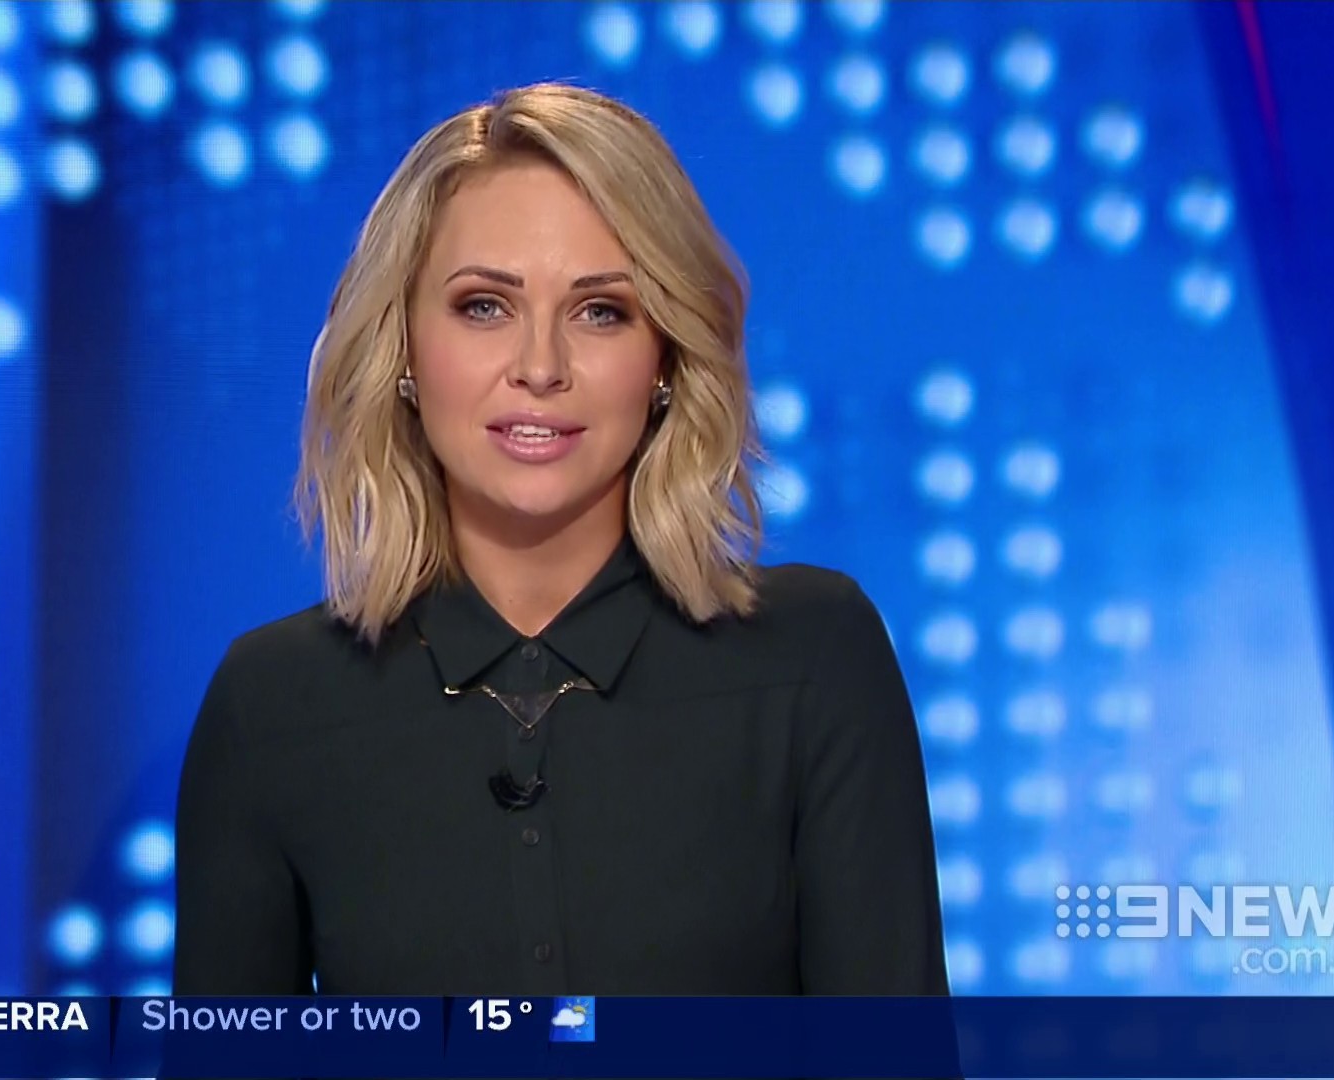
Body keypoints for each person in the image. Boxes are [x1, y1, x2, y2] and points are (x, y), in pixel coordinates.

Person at [175, 82, 948, 1000]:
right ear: (404, 350)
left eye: (600, 311)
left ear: (665, 360)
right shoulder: (272, 707)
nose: (540, 368)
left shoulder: (813, 659)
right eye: (484, 306)